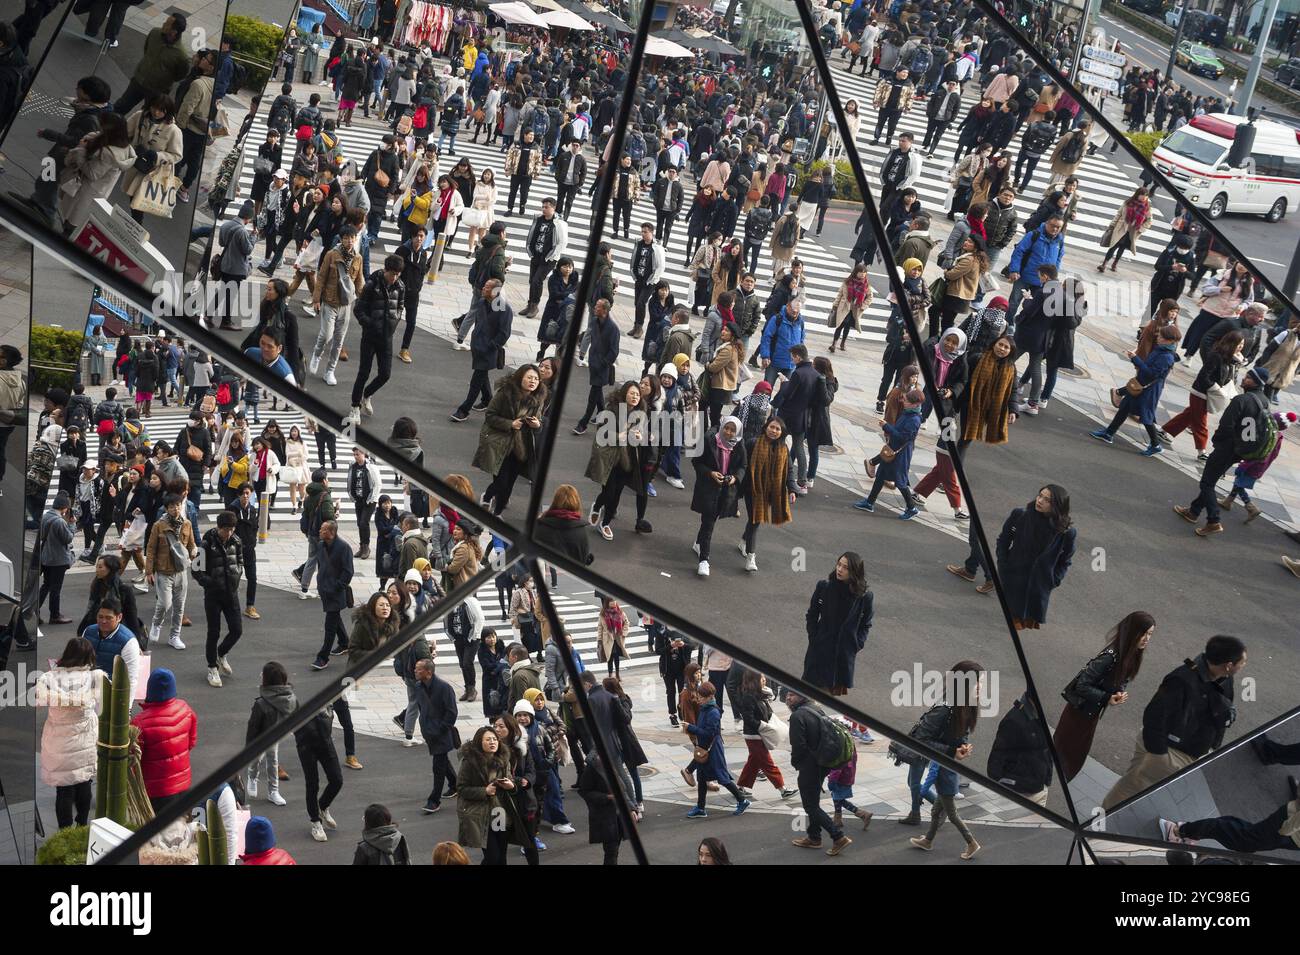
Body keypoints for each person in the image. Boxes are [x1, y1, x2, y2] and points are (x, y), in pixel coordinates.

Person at [1103, 635, 1247, 810]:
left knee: (1133, 783)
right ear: (1229, 665)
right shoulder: (1182, 680)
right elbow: (1154, 716)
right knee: (1131, 789)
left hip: (1174, 749)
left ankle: (1104, 821)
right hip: (1170, 752)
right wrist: (1160, 755)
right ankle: (1099, 826)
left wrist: (1214, 743)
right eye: (1242, 662)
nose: (1243, 665)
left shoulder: (1225, 679)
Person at [1053, 612, 1154, 782]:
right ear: (1132, 632)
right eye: (1143, 633)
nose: (1146, 639)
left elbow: (1122, 679)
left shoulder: (1131, 655)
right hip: (1078, 713)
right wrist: (1107, 697)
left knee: (1073, 756)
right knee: (1066, 754)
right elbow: (1082, 685)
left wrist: (1118, 692)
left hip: (1090, 713)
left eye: (1150, 634)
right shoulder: (1110, 656)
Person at [1174, 366, 1274, 538]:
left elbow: (1226, 425)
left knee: (1207, 484)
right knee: (1211, 480)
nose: (1244, 379)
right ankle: (1193, 511)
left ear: (1256, 382)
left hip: (1227, 447)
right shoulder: (1264, 400)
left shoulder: (1241, 400)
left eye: (1249, 377)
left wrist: (1217, 442)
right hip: (1240, 450)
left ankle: (1213, 520)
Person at [906, 661, 984, 859]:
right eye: (978, 684)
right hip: (944, 767)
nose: (981, 688)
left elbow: (961, 734)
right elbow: (919, 739)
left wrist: (961, 747)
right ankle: (928, 840)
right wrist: (953, 751)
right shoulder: (945, 708)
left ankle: (971, 843)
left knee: (951, 814)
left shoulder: (966, 706)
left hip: (946, 770)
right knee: (936, 812)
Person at [34, 637, 104, 828]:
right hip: (84, 741)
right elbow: (102, 707)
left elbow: (38, 699)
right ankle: (82, 824)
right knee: (84, 784)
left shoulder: (48, 677)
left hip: (57, 742)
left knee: (63, 791)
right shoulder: (94, 678)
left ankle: (64, 832)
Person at [994, 485, 1076, 631]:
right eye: (1040, 496)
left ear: (1057, 505)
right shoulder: (1020, 515)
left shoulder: (1066, 532)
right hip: (1013, 577)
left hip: (1037, 587)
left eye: (1047, 500)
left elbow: (1065, 560)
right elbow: (1003, 540)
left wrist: (1054, 579)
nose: (1040, 501)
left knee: (1021, 622)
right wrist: (1003, 565)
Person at [1159, 330, 1242, 463]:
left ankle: (1163, 431)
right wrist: (1216, 388)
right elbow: (1204, 376)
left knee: (1189, 415)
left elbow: (1229, 378)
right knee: (1200, 422)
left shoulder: (1232, 360)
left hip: (1209, 394)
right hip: (1201, 393)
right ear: (1231, 343)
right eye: (1239, 344)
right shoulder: (1216, 356)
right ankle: (1202, 451)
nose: (1241, 347)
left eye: (1242, 344)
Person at [473, 364, 545, 515]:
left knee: (509, 485)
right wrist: (510, 424)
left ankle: (497, 513)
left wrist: (537, 425)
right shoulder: (505, 393)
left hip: (521, 448)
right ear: (520, 378)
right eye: (529, 377)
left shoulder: (538, 398)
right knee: (501, 483)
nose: (533, 381)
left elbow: (538, 421)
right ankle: (487, 496)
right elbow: (490, 415)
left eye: (536, 379)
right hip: (501, 444)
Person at [786, 690, 852, 855]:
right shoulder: (815, 707)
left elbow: (798, 746)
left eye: (792, 694)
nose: (788, 697)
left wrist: (796, 763)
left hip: (810, 766)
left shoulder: (797, 716)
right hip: (823, 763)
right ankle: (814, 837)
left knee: (810, 806)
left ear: (802, 696)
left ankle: (838, 837)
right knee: (813, 801)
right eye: (787, 694)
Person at [802, 552, 874, 696]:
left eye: (845, 567)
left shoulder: (864, 597)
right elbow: (812, 614)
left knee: (826, 697)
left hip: (841, 657)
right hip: (819, 652)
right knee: (806, 695)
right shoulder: (824, 587)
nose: (839, 569)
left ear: (854, 571)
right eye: (839, 564)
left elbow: (866, 624)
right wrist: (814, 638)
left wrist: (856, 644)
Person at [131, 668, 198, 816]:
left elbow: (133, 761)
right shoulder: (185, 709)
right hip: (183, 785)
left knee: (159, 835)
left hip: (156, 792)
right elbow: (191, 743)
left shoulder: (139, 724)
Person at [349, 254, 405, 422]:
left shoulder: (400, 286)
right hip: (370, 336)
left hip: (387, 336)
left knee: (385, 374)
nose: (395, 277)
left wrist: (393, 324)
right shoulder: (372, 284)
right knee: (363, 372)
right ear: (385, 270)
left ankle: (367, 394)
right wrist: (370, 324)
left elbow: (400, 307)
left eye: (398, 273)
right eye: (392, 273)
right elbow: (358, 309)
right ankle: (354, 407)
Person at [682, 682, 751, 819]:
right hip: (705, 748)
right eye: (699, 696)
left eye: (702, 697)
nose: (699, 699)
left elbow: (709, 733)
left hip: (713, 749)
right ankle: (701, 808)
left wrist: (691, 728)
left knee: (722, 777)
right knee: (701, 778)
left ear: (710, 696)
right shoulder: (705, 708)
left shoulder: (713, 712)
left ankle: (742, 800)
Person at [451, 278, 514, 422]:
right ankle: (487, 399)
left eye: (486, 287)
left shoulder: (503, 308)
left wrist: (491, 345)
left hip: (489, 350)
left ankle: (464, 410)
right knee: (482, 374)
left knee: (477, 379)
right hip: (477, 346)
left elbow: (504, 333)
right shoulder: (482, 302)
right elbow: (479, 323)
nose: (483, 289)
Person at [193, 510, 243, 688]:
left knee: (237, 630)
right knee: (213, 632)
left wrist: (237, 576)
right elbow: (196, 570)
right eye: (225, 529)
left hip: (231, 593)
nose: (228, 533)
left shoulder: (236, 541)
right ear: (218, 527)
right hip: (213, 595)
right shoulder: (206, 543)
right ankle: (212, 667)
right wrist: (209, 583)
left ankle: (221, 653)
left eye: (231, 529)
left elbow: (240, 561)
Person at [854, 388, 924, 518]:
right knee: (880, 475)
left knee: (901, 482)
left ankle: (912, 508)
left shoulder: (914, 420)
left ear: (915, 404)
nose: (904, 402)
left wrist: (886, 427)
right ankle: (869, 502)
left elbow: (903, 437)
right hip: (892, 451)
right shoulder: (907, 413)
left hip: (900, 455)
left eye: (907, 401)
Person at [456, 726, 515, 865]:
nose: (492, 742)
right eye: (488, 739)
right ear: (479, 742)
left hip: (499, 811)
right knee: (492, 857)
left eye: (495, 739)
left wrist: (511, 785)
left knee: (502, 855)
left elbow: (510, 779)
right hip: (480, 813)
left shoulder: (503, 758)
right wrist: (484, 791)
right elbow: (461, 788)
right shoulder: (469, 762)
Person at [145, 494, 196, 651]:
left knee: (179, 606)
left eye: (178, 505)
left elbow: (192, 544)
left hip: (181, 570)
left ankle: (174, 636)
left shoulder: (187, 524)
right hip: (163, 571)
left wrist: (193, 552)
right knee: (164, 603)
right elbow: (151, 549)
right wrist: (149, 571)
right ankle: (156, 623)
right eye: (172, 506)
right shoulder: (158, 526)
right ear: (166, 508)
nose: (176, 509)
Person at [245, 660, 295, 807]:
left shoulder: (263, 702)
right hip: (265, 735)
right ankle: (253, 777)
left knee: (272, 760)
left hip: (271, 736)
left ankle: (272, 790)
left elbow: (252, 726)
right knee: (257, 759)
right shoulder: (289, 696)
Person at [412, 658, 459, 814]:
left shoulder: (444, 688)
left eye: (418, 669)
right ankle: (455, 784)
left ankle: (434, 801)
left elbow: (452, 712)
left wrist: (440, 728)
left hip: (441, 733)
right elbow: (421, 707)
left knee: (438, 765)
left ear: (429, 672)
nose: (415, 671)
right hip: (429, 732)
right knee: (442, 761)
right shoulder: (418, 687)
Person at [311, 520, 354, 679]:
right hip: (325, 590)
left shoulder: (344, 548)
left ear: (332, 533)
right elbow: (321, 566)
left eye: (323, 530)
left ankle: (322, 657)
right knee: (335, 619)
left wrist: (337, 586)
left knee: (330, 624)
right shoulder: (321, 545)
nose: (320, 531)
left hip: (336, 592)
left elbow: (348, 571)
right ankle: (344, 643)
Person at [294, 704, 344, 842]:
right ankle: (315, 822)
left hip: (325, 740)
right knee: (312, 783)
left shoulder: (324, 691)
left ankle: (322, 806)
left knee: (337, 780)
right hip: (306, 743)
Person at [38, 492, 77, 626]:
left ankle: (33, 611)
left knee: (46, 585)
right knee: (55, 589)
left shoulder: (45, 517)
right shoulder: (59, 521)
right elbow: (68, 538)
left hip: (46, 557)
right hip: (58, 559)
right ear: (64, 507)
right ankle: (55, 615)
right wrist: (72, 525)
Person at [346, 447, 382, 561]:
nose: (356, 456)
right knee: (359, 523)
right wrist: (351, 494)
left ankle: (366, 547)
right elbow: (350, 480)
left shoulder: (371, 467)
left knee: (363, 522)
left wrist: (372, 498)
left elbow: (378, 484)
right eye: (354, 454)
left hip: (369, 500)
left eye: (358, 454)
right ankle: (362, 547)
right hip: (358, 499)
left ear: (364, 454)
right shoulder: (353, 466)